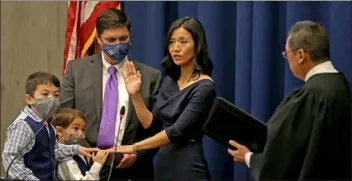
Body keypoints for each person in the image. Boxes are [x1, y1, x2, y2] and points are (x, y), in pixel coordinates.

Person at [228, 20, 352, 180]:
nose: (288, 61)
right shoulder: (345, 88)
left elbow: (281, 158)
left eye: (287, 55)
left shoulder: (309, 97)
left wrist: (250, 158)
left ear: (300, 55)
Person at [60, 8, 161, 180]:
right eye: (110, 40)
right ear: (99, 39)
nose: (117, 44)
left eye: (123, 38)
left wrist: (137, 153)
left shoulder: (150, 76)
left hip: (131, 170)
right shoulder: (76, 71)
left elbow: (157, 130)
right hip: (85, 166)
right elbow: (63, 118)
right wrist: (83, 150)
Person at [115, 17, 216, 181]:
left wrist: (134, 147)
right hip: (163, 164)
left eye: (183, 42)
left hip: (188, 166)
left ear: (197, 45)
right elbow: (152, 125)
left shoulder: (204, 86)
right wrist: (135, 95)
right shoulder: (169, 80)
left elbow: (176, 132)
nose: (176, 48)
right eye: (172, 42)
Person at [2, 71, 98, 181]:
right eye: (45, 94)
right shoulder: (23, 125)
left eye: (56, 95)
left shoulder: (47, 122)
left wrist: (76, 149)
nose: (52, 99)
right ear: (29, 99)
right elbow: (11, 159)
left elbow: (52, 151)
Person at [52, 108, 110, 180]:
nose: (80, 133)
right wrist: (97, 165)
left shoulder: (78, 152)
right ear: (59, 131)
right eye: (76, 128)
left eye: (83, 129)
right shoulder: (64, 159)